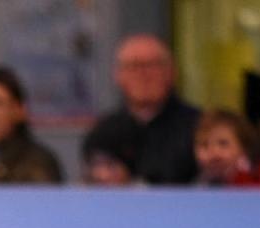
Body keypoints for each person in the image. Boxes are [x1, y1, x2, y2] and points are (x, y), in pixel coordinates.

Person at [82, 33, 200, 184]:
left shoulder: (198, 129)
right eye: (134, 66)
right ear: (118, 76)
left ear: (171, 72)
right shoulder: (102, 132)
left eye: (153, 65)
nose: (144, 74)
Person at [192, 108, 260, 186]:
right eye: (204, 145)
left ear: (243, 147)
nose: (214, 153)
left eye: (223, 144)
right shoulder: (200, 183)